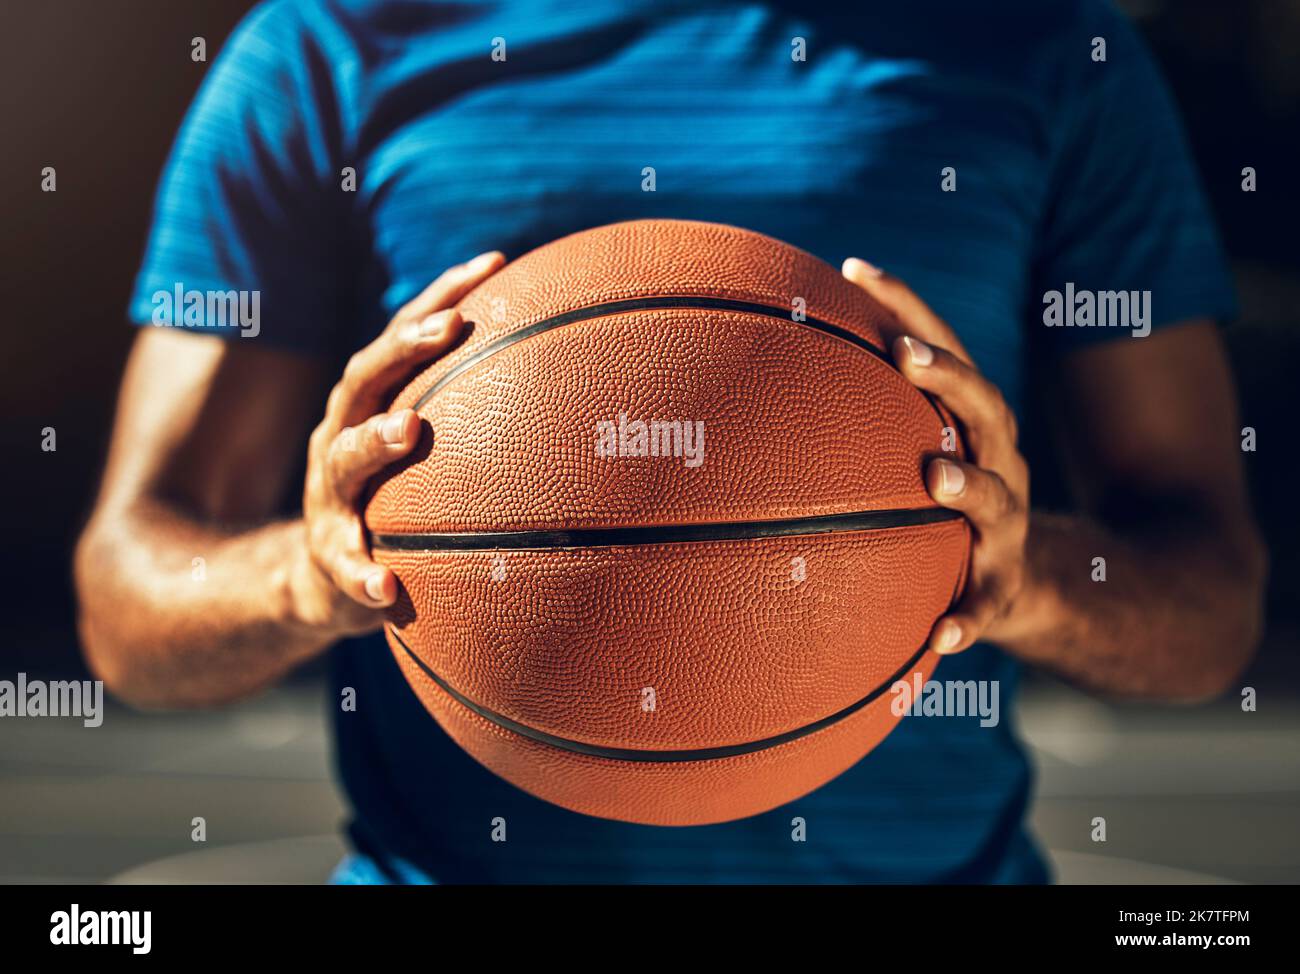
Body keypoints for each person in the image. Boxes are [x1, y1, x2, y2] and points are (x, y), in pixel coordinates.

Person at [75, 0, 1266, 883]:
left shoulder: (1049, 46)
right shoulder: (327, 47)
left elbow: (1212, 607)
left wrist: (1023, 573)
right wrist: (311, 570)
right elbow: (127, 611)